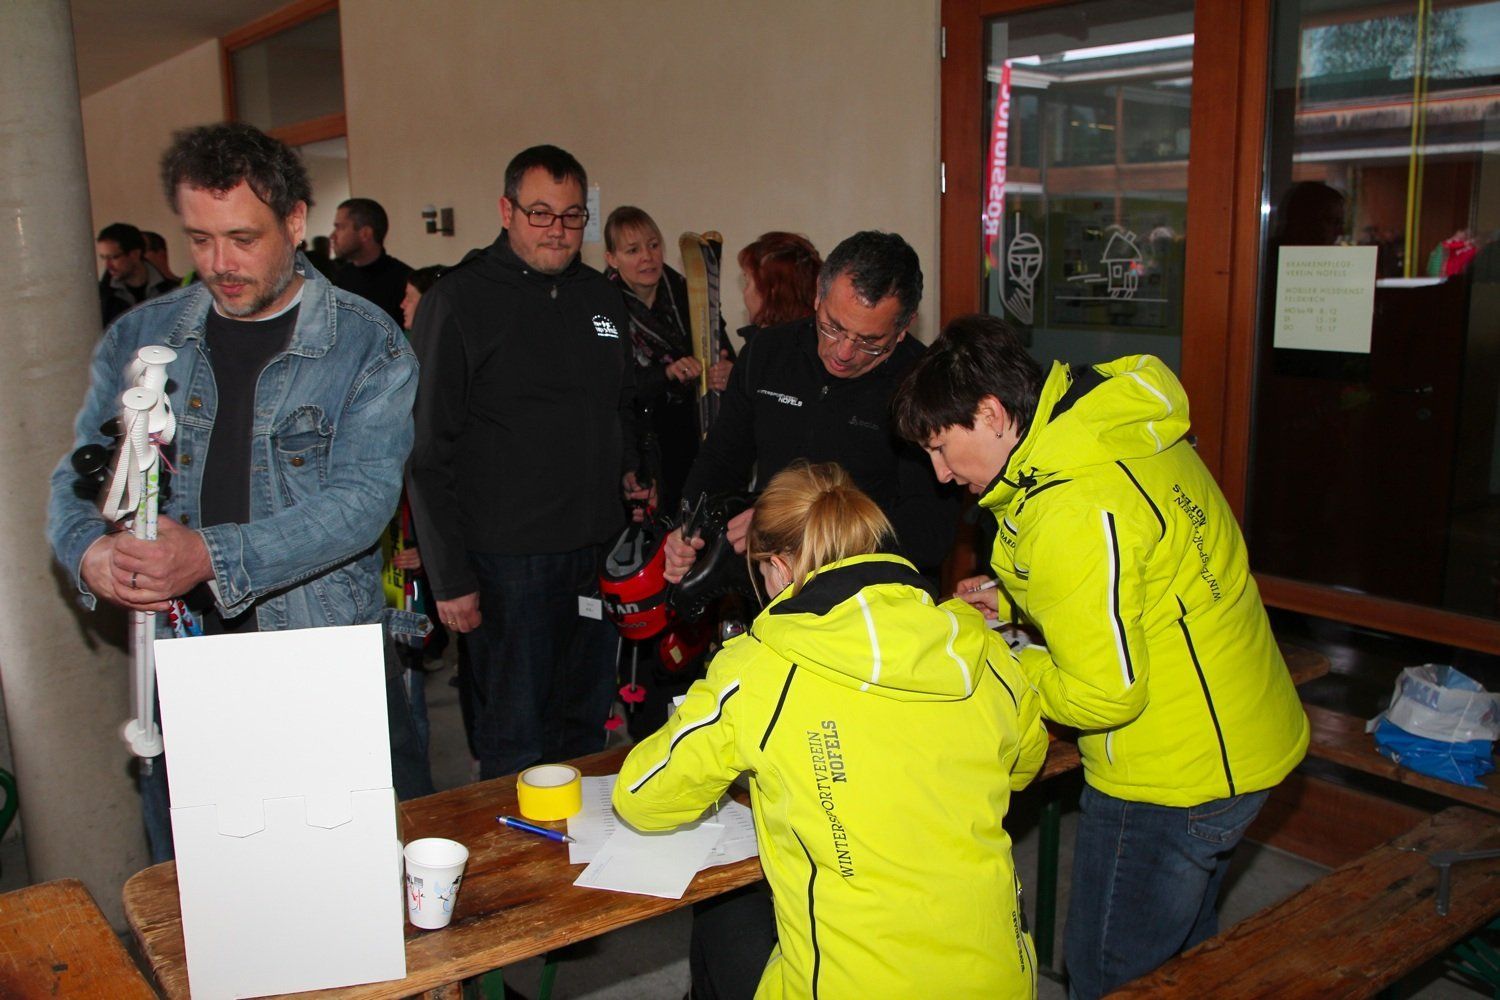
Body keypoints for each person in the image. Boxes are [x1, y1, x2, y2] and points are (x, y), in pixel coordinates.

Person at [891, 314, 1310, 998]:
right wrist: (1015, 599)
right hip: (1243, 728)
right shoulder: (1107, 426)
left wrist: (1000, 660)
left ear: (991, 413)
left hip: (1171, 773)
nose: (940, 473)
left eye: (941, 447)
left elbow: (1102, 694)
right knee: (1183, 958)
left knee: (1111, 975)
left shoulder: (1072, 505)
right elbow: (1138, 570)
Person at [48, 122, 432, 863]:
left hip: (320, 663)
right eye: (199, 240)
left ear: (295, 221)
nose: (219, 264)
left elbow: (361, 501)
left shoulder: (366, 341)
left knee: (346, 881)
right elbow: (80, 480)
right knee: (206, 887)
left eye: (242, 238)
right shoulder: (144, 337)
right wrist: (91, 553)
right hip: (184, 669)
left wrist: (209, 557)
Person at [615, 461, 1048, 999]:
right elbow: (1023, 763)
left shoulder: (760, 667)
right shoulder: (979, 648)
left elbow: (642, 797)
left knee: (725, 907)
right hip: (1001, 983)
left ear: (777, 566)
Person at [406, 144, 640, 781]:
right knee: (515, 741)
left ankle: (577, 844)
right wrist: (449, 578)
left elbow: (618, 407)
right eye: (540, 213)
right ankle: (512, 847)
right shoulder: (459, 300)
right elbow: (427, 452)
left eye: (572, 216)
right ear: (506, 211)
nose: (557, 230)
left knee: (586, 731)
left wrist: (632, 472)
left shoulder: (601, 298)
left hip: (594, 555)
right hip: (506, 566)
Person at [663, 230, 958, 583]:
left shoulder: (926, 387)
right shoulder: (767, 352)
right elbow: (720, 462)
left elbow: (929, 533)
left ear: (904, 327)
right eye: (833, 327)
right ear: (818, 293)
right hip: (769, 585)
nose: (844, 352)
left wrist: (797, 527)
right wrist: (687, 529)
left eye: (870, 342)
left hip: (872, 595)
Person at [604, 206, 732, 514]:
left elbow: (725, 350)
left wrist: (729, 371)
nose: (647, 257)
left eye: (653, 245)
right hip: (638, 444)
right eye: (633, 250)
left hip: (694, 435)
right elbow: (611, 386)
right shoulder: (602, 306)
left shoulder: (690, 293)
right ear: (612, 258)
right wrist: (666, 374)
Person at [330, 197, 412, 325]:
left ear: (365, 234)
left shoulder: (404, 282)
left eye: (340, 227)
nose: (332, 236)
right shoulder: (337, 279)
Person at [736, 230, 821, 342]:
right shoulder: (819, 341)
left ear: (772, 290)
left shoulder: (767, 346)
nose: (744, 292)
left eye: (747, 282)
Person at [97, 222, 177, 327]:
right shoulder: (100, 297)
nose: (108, 265)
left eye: (114, 257)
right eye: (103, 258)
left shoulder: (171, 291)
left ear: (135, 254)